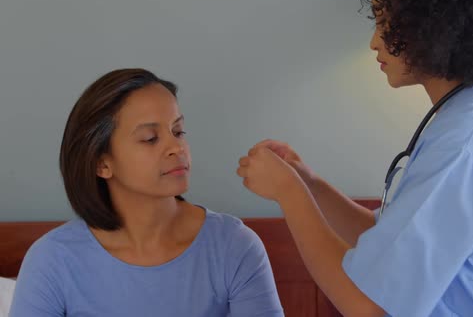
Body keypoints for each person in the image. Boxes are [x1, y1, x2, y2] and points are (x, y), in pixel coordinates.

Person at [236, 0, 473, 316]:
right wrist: (309, 183)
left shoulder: (465, 141)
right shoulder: (470, 117)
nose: (374, 41)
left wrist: (289, 193)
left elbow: (369, 308)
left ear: (434, 24)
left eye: (385, 22)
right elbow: (386, 242)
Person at [10, 68, 283, 317]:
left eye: (178, 131)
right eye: (150, 138)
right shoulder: (52, 261)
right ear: (101, 163)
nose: (177, 148)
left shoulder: (234, 247)